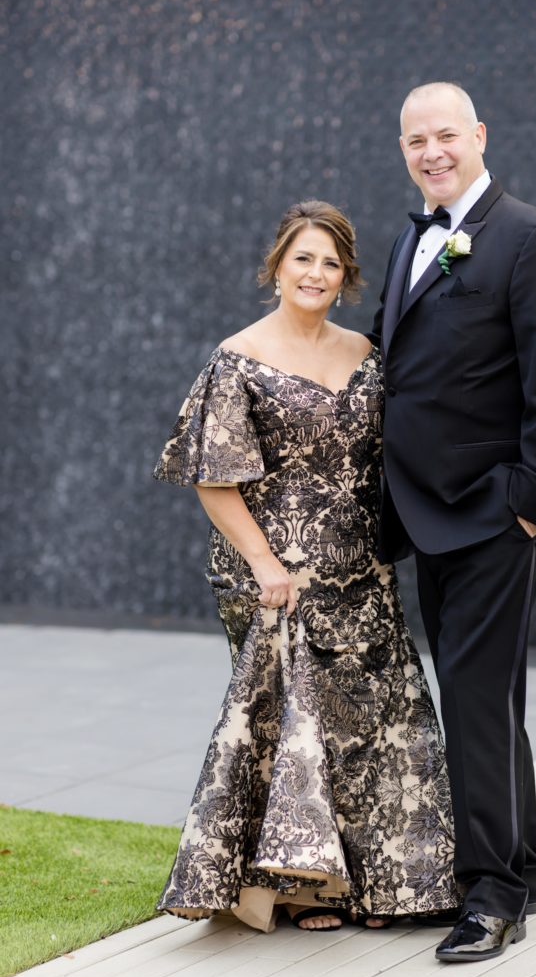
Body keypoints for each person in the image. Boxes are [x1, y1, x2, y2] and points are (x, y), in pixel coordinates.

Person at [153, 200, 461, 933]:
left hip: (361, 567)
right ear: (277, 267)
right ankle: (301, 890)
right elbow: (213, 477)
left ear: (345, 275)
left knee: (382, 722)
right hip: (273, 573)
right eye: (303, 258)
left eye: (330, 262)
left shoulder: (366, 352)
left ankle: (392, 887)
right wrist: (266, 566)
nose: (315, 272)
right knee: (297, 727)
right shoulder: (237, 357)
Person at [369, 83, 536, 961]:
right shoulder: (406, 239)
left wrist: (532, 507)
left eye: (446, 136)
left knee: (472, 697)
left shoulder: (529, 236)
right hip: (427, 512)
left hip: (496, 515)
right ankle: (520, 867)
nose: (432, 151)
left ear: (479, 136)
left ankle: (488, 895)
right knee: (488, 699)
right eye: (415, 139)